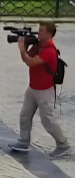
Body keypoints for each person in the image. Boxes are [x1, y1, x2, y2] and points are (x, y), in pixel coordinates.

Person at [11, 22, 70, 158]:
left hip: (44, 90)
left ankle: (63, 145)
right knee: (25, 115)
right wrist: (25, 46)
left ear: (49, 33)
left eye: (42, 31)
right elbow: (27, 59)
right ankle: (24, 141)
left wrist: (21, 49)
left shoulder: (49, 50)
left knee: (48, 120)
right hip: (33, 87)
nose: (39, 33)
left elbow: (31, 62)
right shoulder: (40, 46)